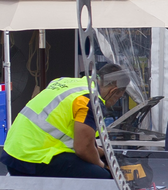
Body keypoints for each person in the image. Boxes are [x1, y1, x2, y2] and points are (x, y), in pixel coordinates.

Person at [2, 66, 130, 180]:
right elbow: (83, 148)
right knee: (104, 176)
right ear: (113, 91)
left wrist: (102, 153)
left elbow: (75, 134)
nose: (114, 102)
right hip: (32, 159)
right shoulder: (89, 99)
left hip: (14, 153)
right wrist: (104, 166)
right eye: (117, 98)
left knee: (95, 160)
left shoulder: (71, 83)